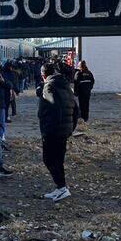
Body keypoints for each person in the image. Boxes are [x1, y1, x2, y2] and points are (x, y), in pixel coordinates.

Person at [38, 62, 78, 201]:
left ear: (43, 75)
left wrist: (48, 129)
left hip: (52, 131)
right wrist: (71, 127)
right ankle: (61, 188)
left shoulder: (49, 86)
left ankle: (61, 187)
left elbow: (54, 108)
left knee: (48, 159)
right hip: (64, 130)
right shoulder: (66, 86)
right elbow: (75, 109)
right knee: (58, 160)